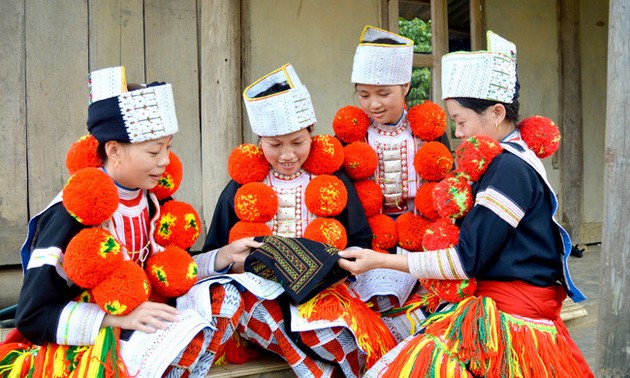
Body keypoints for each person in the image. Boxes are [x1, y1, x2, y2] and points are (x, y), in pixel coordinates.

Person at [337, 31, 594, 377]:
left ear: (497, 113)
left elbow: (464, 261)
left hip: (508, 314)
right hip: (503, 302)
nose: (457, 133)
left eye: (460, 121)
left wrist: (380, 261)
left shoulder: (509, 170)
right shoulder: (508, 161)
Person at [187, 63, 397, 377]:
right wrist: (240, 262)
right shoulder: (240, 189)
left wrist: (333, 271)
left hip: (323, 297)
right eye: (275, 144)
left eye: (298, 142)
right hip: (259, 297)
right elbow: (215, 251)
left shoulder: (333, 180)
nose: (287, 155)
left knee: (346, 341)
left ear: (312, 131)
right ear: (259, 140)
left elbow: (359, 242)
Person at [5, 66, 214, 377]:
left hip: (151, 322)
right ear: (114, 150)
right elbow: (33, 315)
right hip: (96, 338)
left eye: (169, 148)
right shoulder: (71, 213)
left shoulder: (154, 200)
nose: (166, 161)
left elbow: (164, 267)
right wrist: (115, 319)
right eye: (154, 151)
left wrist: (221, 259)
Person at [332, 25, 456, 337]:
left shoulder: (427, 130)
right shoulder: (352, 135)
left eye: (384, 94)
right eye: (364, 95)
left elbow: (444, 180)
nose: (374, 104)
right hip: (369, 236)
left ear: (405, 87)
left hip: (419, 230)